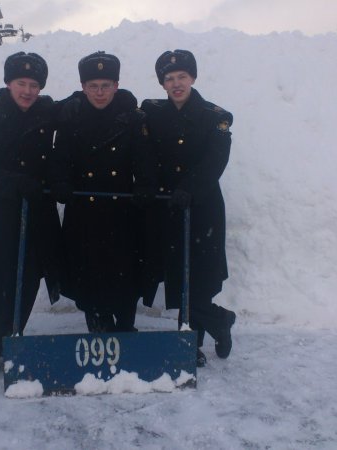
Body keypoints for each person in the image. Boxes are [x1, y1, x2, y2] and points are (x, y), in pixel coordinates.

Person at [0, 52, 62, 379]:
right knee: (0, 281)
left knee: (31, 275)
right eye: (21, 83)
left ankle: (12, 335)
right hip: (1, 212)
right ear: (8, 83)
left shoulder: (46, 111)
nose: (27, 91)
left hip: (38, 211)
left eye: (34, 85)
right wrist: (16, 182)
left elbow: (76, 111)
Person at [141, 49, 236, 367]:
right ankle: (197, 335)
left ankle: (208, 326)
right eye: (169, 79)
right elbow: (147, 153)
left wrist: (188, 189)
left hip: (203, 206)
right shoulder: (152, 113)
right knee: (178, 275)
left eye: (182, 76)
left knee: (198, 277)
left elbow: (215, 161)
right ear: (163, 84)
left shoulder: (216, 117)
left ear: (192, 78)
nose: (176, 83)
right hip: (168, 207)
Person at [50, 51, 156, 333]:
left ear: (116, 86)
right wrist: (61, 182)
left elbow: (143, 158)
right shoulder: (71, 117)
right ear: (83, 87)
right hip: (84, 210)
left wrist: (145, 185)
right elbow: (60, 157)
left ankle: (125, 325)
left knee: (125, 273)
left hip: (122, 209)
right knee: (88, 273)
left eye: (106, 85)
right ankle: (98, 323)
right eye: (93, 86)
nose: (99, 92)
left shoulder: (132, 119)